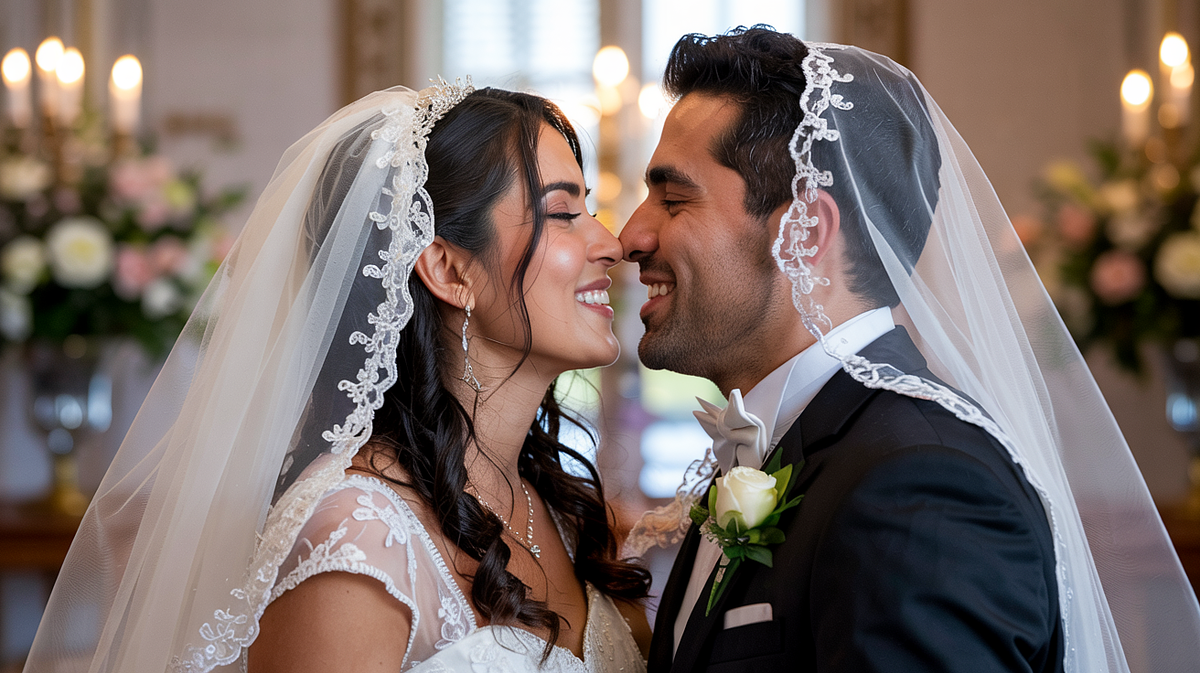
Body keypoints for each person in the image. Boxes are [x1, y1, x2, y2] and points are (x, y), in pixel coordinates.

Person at [620, 27, 1200, 673]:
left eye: (673, 200)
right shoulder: (800, 450)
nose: (630, 235)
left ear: (806, 230)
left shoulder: (920, 484)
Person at [24, 83, 652, 673]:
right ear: (448, 269)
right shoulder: (356, 539)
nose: (611, 242)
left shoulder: (562, 511)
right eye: (564, 212)